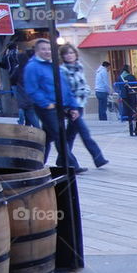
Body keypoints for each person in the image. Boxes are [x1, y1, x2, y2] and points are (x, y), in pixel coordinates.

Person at [23, 38, 86, 173]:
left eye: (49, 49)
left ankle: (37, 163)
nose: (47, 52)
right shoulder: (32, 67)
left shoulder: (53, 65)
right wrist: (46, 104)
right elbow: (31, 89)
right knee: (59, 135)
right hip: (46, 107)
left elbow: (64, 87)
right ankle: (71, 166)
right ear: (37, 51)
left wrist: (73, 106)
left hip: (59, 105)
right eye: (43, 49)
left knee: (47, 137)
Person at [59, 44, 108, 168]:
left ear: (75, 54)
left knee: (70, 135)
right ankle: (98, 158)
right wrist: (70, 107)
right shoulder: (63, 70)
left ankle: (62, 161)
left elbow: (83, 84)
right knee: (84, 132)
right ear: (62, 56)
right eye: (66, 53)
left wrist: (86, 91)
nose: (69, 55)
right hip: (72, 106)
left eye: (71, 53)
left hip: (80, 104)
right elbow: (66, 89)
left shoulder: (79, 67)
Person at [13, 48, 39, 128]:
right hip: (32, 95)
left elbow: (12, 79)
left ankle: (40, 132)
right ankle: (28, 132)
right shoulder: (31, 67)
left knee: (30, 115)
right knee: (30, 115)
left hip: (23, 96)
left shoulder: (18, 69)